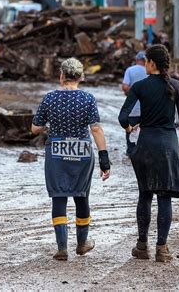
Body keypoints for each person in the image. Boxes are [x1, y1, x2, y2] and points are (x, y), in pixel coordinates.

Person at [31, 58, 111, 261]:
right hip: (82, 152)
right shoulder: (87, 99)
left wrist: (49, 127)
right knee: (81, 196)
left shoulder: (50, 98)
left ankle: (62, 248)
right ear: (81, 77)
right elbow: (96, 129)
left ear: (61, 76)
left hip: (56, 152)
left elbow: (35, 128)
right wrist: (104, 159)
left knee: (59, 197)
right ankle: (82, 243)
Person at [118, 45, 179, 263]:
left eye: (146, 62)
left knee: (145, 194)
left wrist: (131, 129)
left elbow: (123, 117)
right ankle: (162, 248)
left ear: (151, 63)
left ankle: (142, 246)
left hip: (146, 145)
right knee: (165, 197)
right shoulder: (176, 86)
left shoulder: (139, 87)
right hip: (169, 145)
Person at [122, 51, 148, 155]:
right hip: (146, 110)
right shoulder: (149, 71)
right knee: (145, 133)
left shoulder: (130, 70)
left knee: (131, 133)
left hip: (132, 110)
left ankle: (131, 153)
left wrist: (132, 93)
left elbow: (125, 87)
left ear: (136, 60)